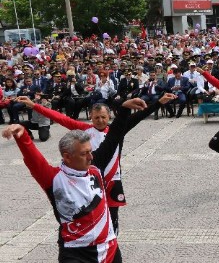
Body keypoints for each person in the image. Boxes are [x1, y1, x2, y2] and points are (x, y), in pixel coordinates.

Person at [1, 98, 147, 263]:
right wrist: (21, 135)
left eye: (90, 152)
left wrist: (123, 110)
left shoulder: (96, 166)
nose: (91, 157)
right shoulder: (53, 179)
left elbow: (114, 136)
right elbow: (33, 160)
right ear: (67, 157)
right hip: (76, 253)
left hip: (108, 249)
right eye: (84, 154)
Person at [16, 93, 176, 234]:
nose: (100, 120)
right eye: (96, 117)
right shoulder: (84, 129)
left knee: (112, 218)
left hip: (113, 181)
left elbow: (139, 116)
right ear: (91, 117)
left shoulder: (117, 130)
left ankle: (111, 245)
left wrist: (159, 102)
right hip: (89, 182)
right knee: (89, 214)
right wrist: (33, 105)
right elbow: (60, 118)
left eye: (103, 117)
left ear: (109, 117)